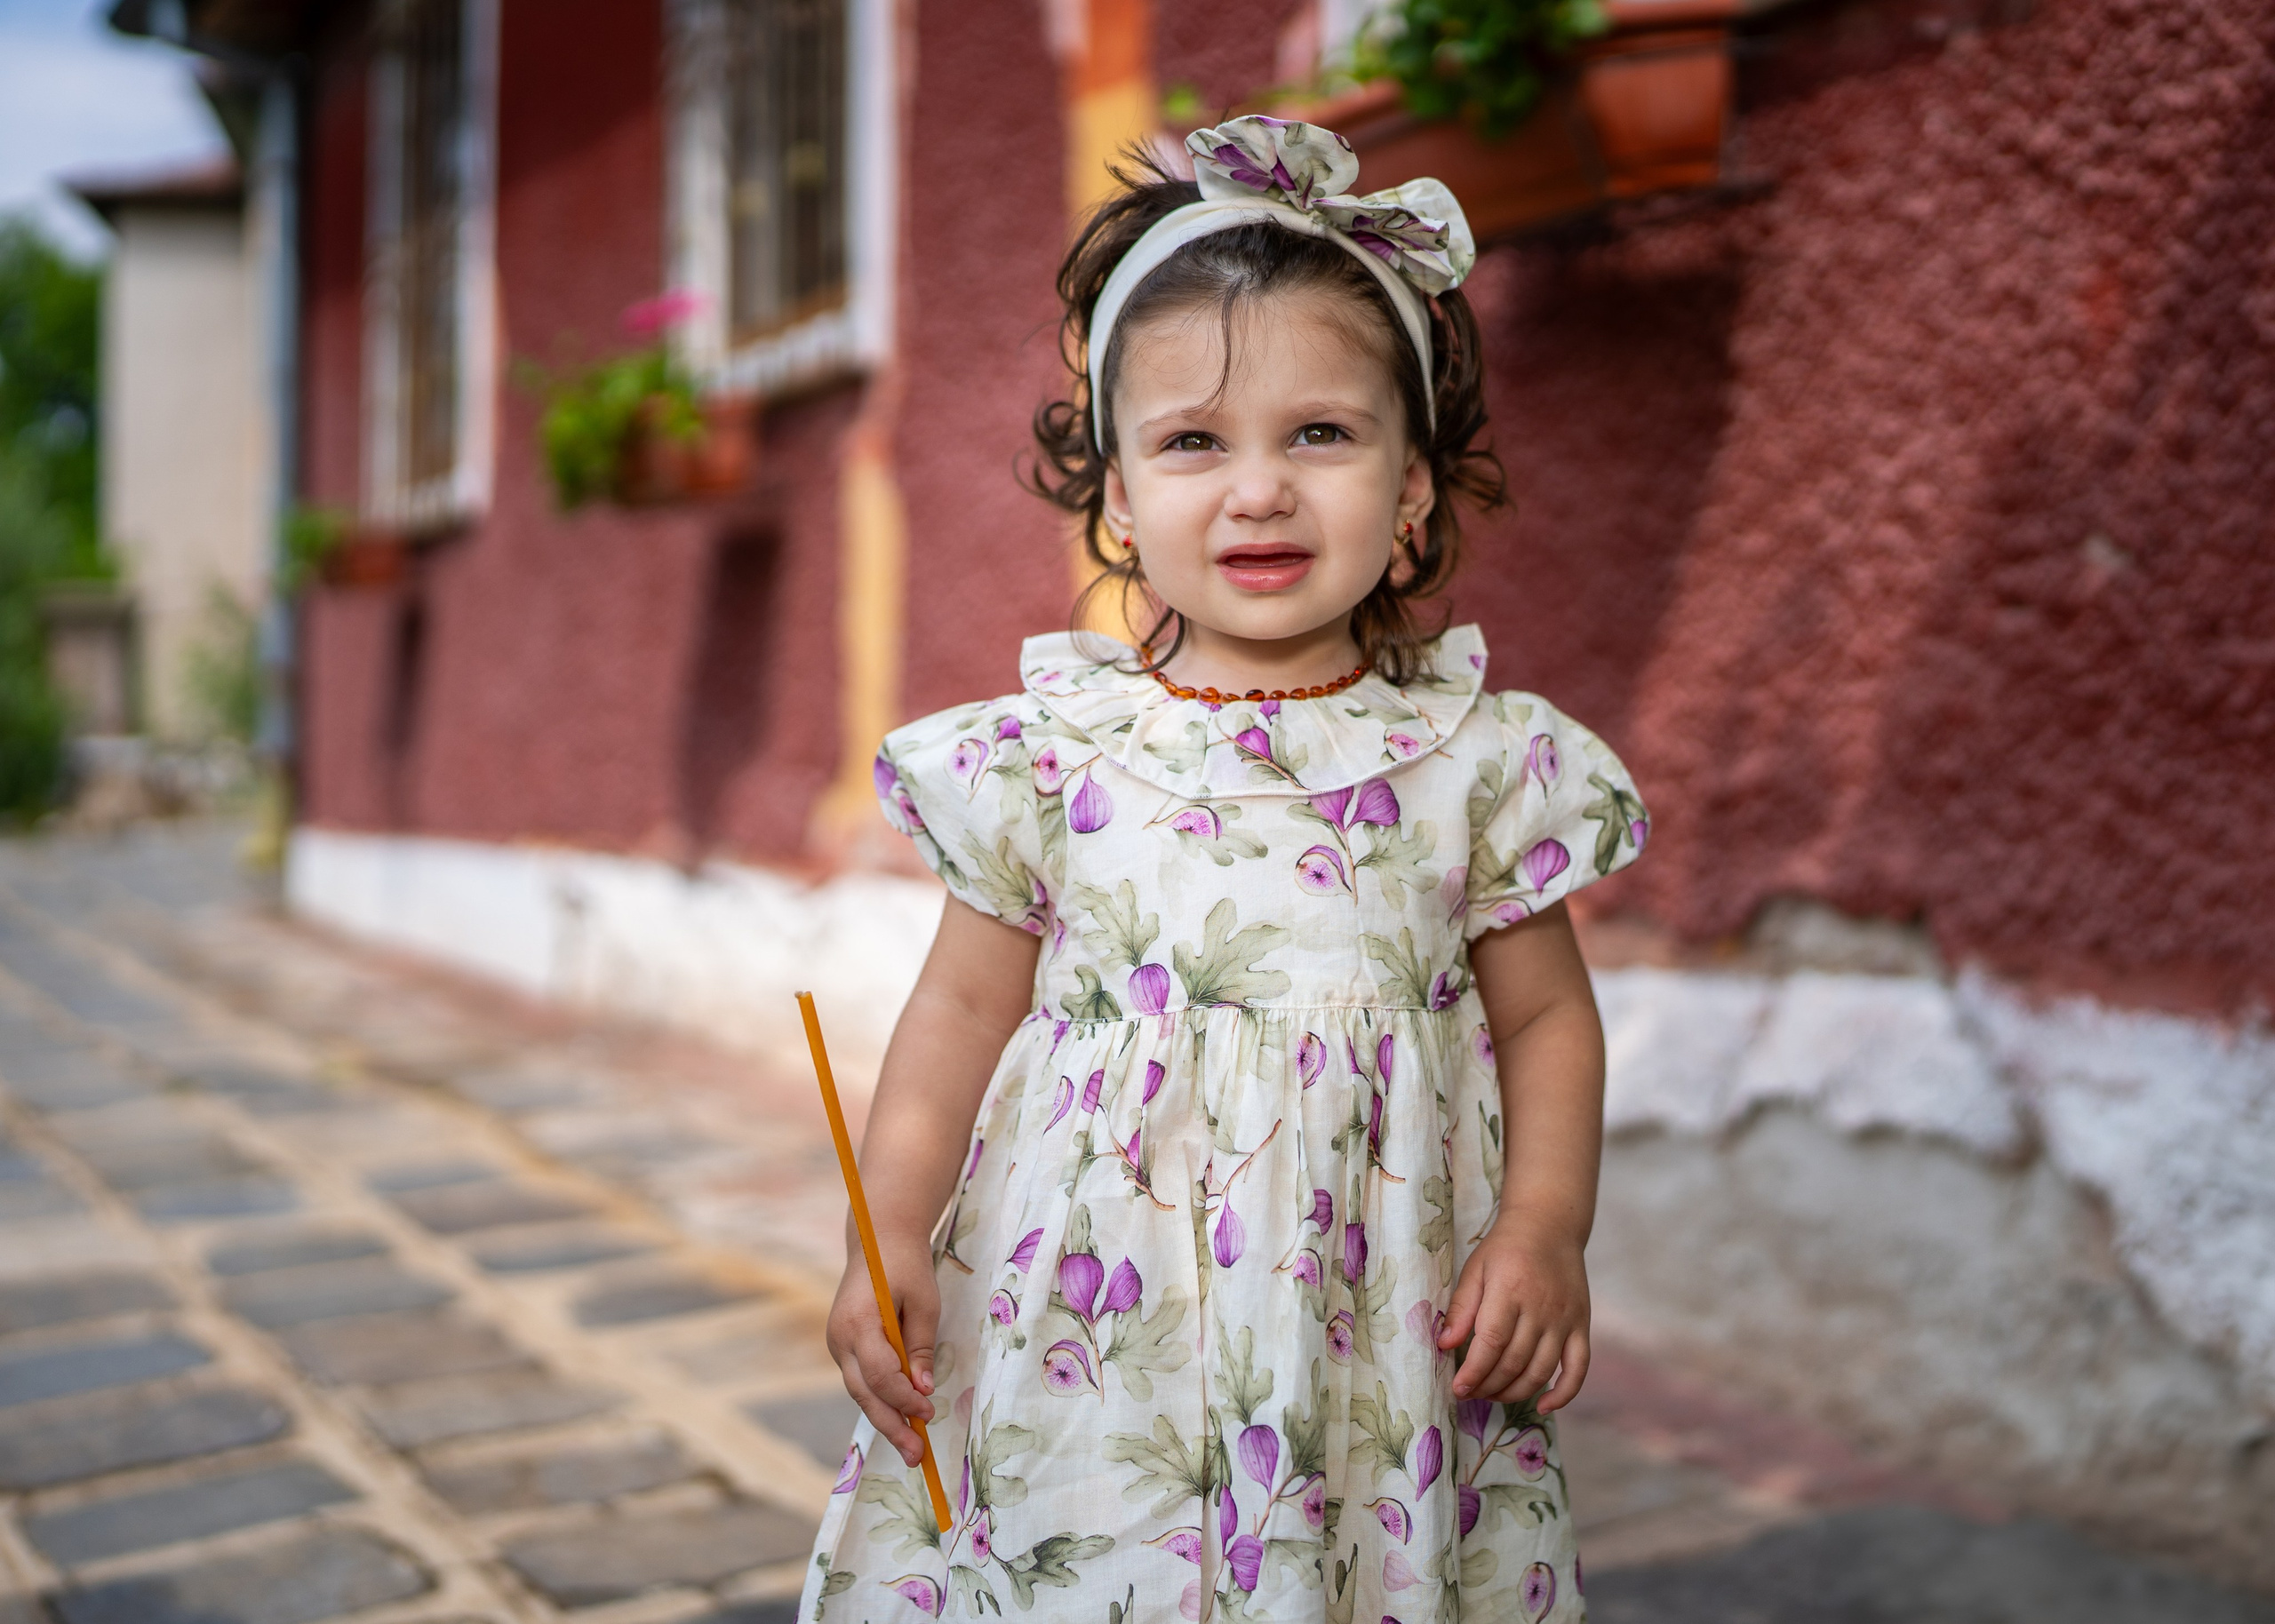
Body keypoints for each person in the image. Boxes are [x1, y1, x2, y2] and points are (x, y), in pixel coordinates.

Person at [805, 115, 1648, 1624]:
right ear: (1118, 498)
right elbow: (955, 1015)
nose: (1256, 491)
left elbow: (1544, 1020)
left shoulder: (1476, 765)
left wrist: (1543, 1226)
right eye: (1194, 442)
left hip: (1375, 1336)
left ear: (1409, 494)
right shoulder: (1050, 760)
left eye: (1318, 435)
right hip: (1093, 1330)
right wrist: (890, 1228)